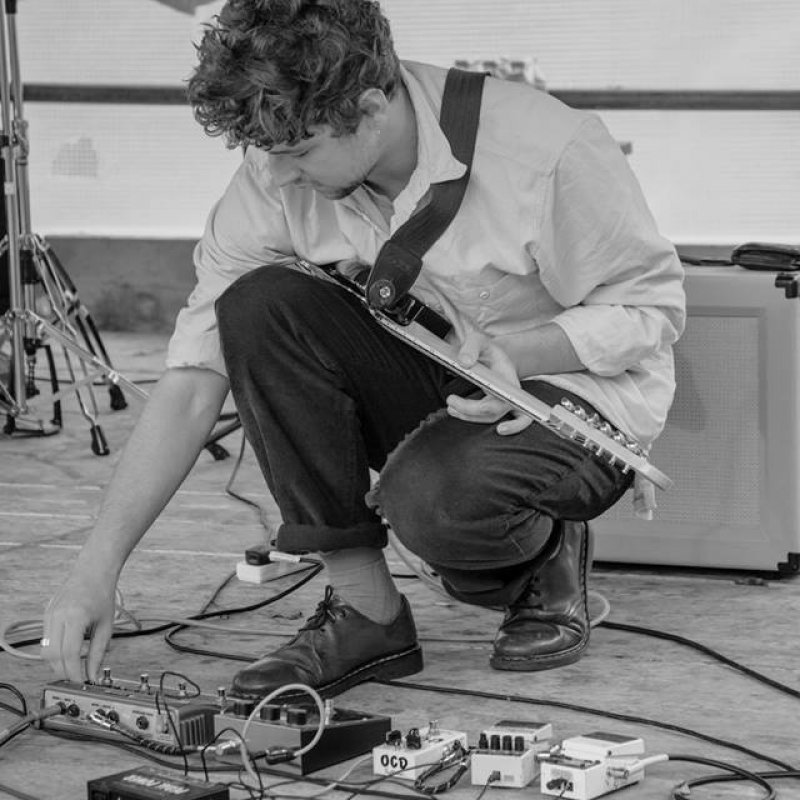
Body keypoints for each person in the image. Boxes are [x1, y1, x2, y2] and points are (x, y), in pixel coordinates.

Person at [42, 0, 685, 696]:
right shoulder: (276, 170)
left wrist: (517, 354)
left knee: (433, 504)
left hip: (575, 392)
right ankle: (366, 613)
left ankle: (543, 546)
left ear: (372, 107)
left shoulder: (547, 148)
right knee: (257, 306)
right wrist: (94, 572)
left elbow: (650, 311)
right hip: (439, 374)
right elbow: (195, 382)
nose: (280, 177)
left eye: (298, 153)